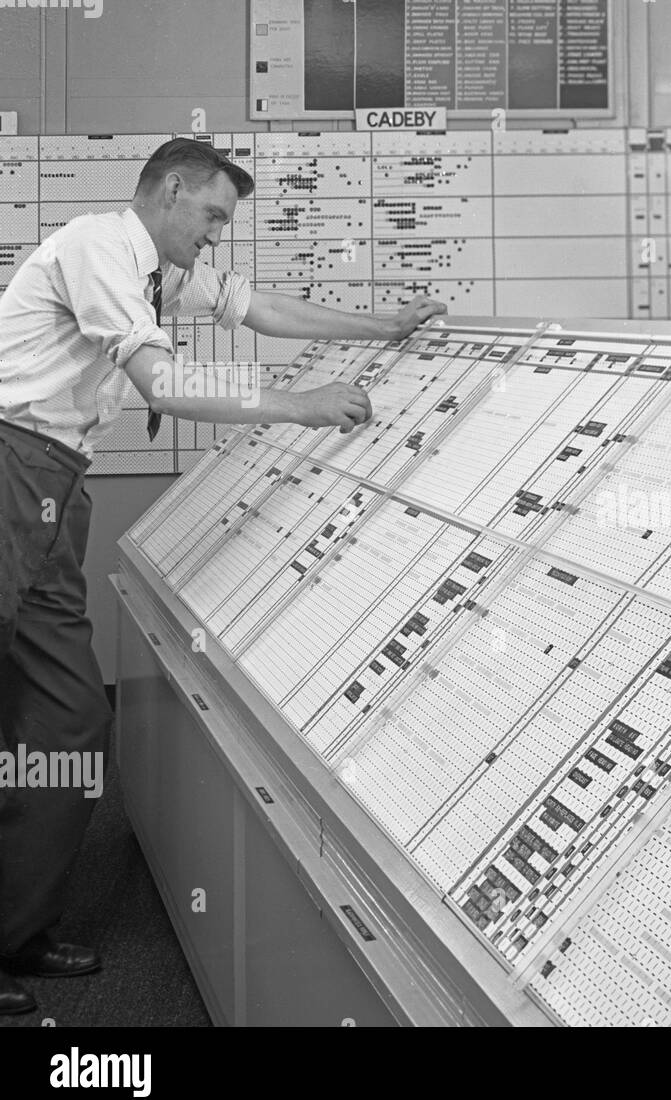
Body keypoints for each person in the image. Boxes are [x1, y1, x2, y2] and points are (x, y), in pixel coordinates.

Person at [0, 138, 445, 1015]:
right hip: (10, 468)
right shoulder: (98, 246)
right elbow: (161, 377)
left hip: (56, 483)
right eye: (211, 215)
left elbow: (262, 309)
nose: (215, 236)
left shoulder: (157, 269)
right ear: (170, 190)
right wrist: (300, 407)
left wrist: (384, 327)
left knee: (70, 717)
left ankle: (16, 929)